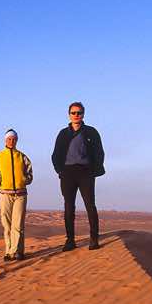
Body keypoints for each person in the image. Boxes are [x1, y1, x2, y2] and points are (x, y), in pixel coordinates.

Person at [51, 101, 105, 251]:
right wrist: (60, 171)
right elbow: (55, 155)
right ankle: (70, 241)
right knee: (69, 207)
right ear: (69, 115)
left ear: (83, 114)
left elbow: (99, 153)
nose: (76, 115)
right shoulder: (63, 134)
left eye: (79, 112)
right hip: (67, 173)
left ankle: (94, 239)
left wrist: (93, 170)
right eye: (73, 113)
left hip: (85, 172)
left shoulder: (91, 132)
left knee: (90, 205)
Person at [0, 129, 33, 261]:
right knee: (7, 224)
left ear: (16, 140)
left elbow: (30, 174)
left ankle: (17, 251)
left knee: (18, 224)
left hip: (20, 194)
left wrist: (23, 180)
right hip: (5, 194)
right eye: (9, 138)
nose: (11, 141)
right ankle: (9, 251)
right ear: (5, 140)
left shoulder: (22, 156)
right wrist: (1, 183)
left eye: (14, 139)